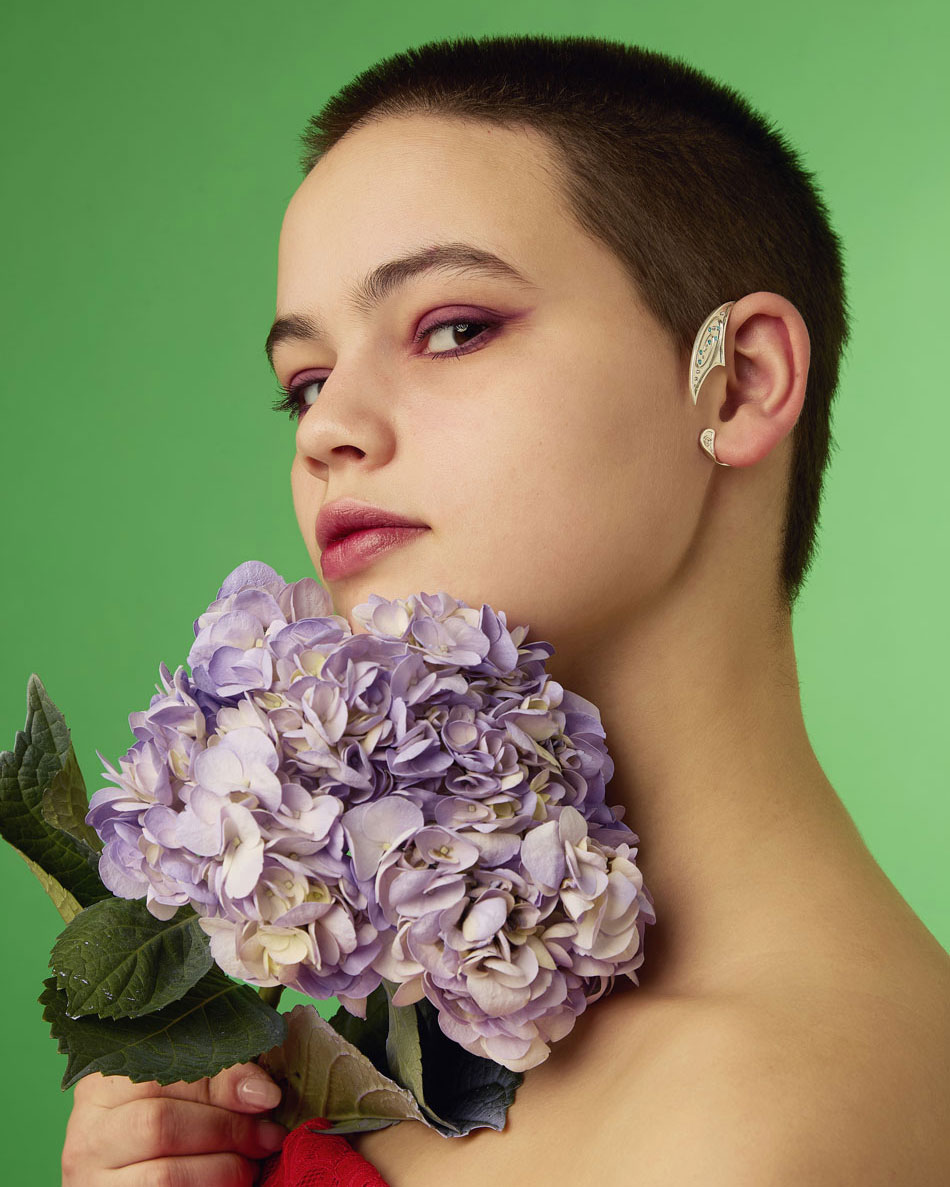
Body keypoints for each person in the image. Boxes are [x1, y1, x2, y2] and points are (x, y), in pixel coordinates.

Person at [61, 32, 950, 1186]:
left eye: (453, 327)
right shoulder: (341, 1028)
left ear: (733, 382)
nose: (331, 429)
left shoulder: (777, 1117)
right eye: (306, 381)